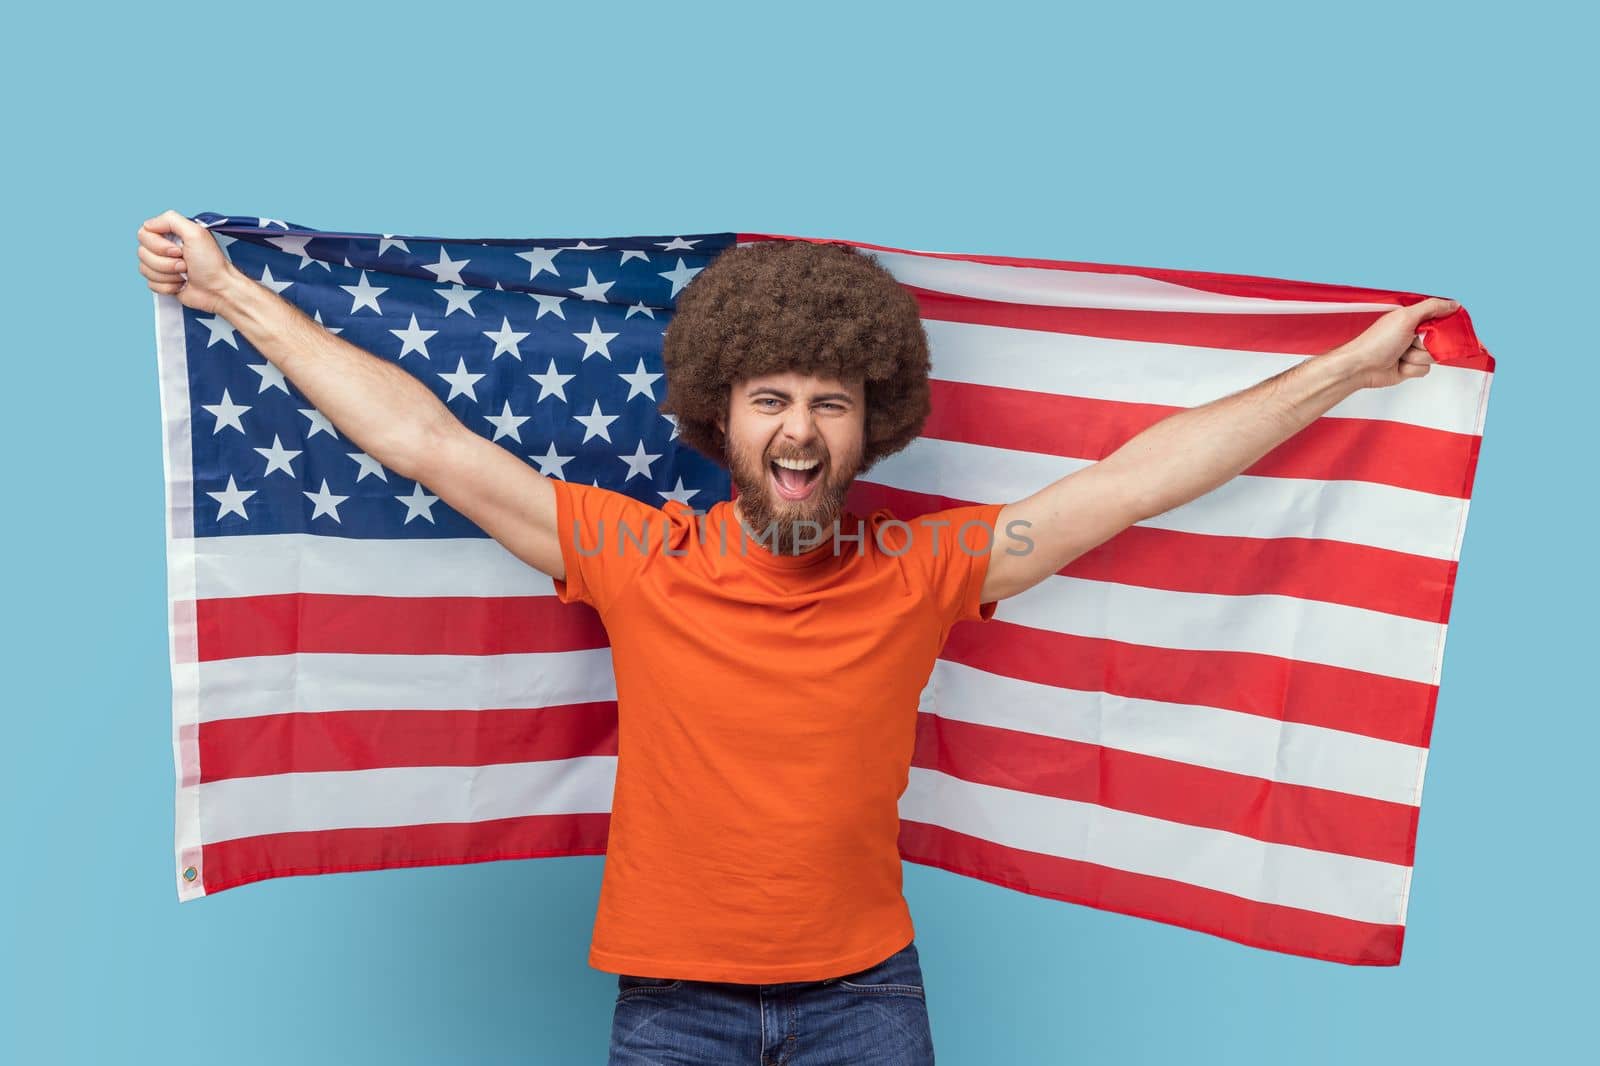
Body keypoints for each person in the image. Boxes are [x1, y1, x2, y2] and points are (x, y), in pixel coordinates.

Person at [136, 210, 1454, 1065]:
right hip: (672, 1009)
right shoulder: (633, 556)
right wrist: (230, 293)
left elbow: (1135, 482)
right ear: (724, 415)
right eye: (772, 395)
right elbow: (422, 437)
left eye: (832, 398)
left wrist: (1343, 369)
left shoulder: (925, 568)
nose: (802, 426)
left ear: (871, 422)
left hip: (866, 1001)